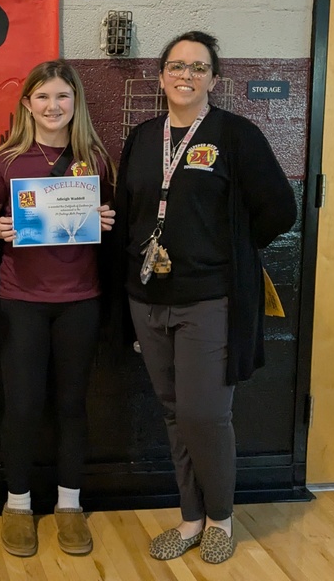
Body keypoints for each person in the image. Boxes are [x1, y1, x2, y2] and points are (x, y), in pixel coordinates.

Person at [113, 31, 296, 564]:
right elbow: (130, 210)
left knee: (205, 413)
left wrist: (233, 248)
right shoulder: (143, 137)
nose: (186, 76)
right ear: (162, 75)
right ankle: (190, 517)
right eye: (176, 66)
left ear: (215, 79)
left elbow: (280, 209)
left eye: (198, 67)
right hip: (147, 298)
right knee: (173, 412)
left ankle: (220, 517)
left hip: (209, 299)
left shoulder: (237, 135)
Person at [0, 59, 115, 558]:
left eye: (62, 97)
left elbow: (111, 223)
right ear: (27, 104)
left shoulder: (95, 158)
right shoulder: (7, 160)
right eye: (43, 97)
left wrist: (105, 216)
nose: (53, 106)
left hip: (80, 299)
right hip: (21, 301)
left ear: (75, 103)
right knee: (22, 406)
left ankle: (70, 505)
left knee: (72, 406)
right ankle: (17, 505)